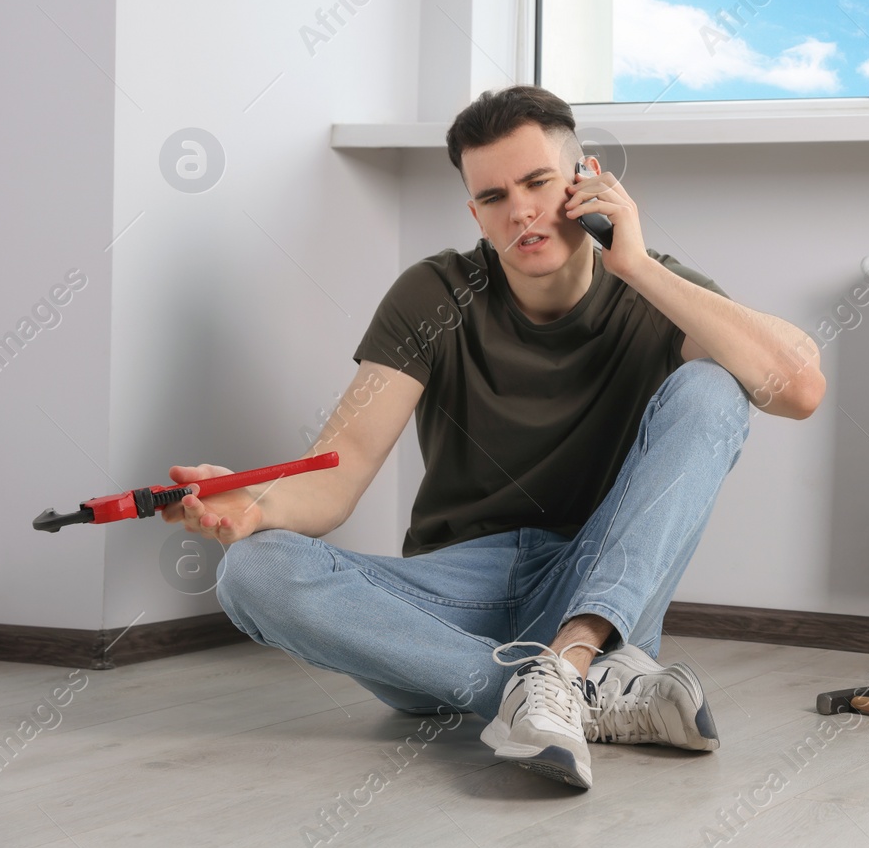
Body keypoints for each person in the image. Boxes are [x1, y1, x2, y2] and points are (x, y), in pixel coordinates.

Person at [158, 85, 825, 789]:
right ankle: (548, 692)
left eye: (538, 183)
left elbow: (800, 387)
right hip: (450, 607)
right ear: (475, 211)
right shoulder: (435, 294)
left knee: (716, 384)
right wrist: (258, 504)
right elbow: (341, 466)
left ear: (586, 182)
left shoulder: (650, 290)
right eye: (495, 196)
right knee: (252, 570)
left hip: (589, 585)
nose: (521, 211)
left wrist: (635, 265)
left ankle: (568, 664)